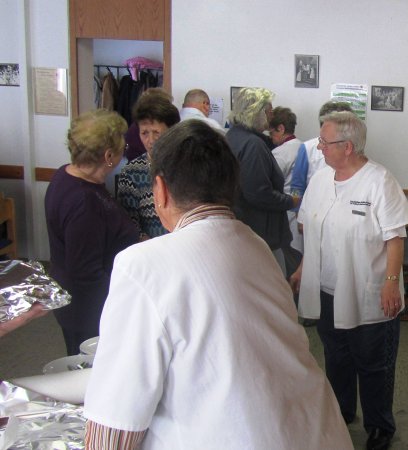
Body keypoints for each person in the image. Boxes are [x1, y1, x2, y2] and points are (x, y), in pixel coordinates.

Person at [83, 120, 352, 450]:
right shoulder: (256, 246)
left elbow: (115, 423)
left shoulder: (141, 265)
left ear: (161, 190)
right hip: (312, 429)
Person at [289, 112, 408, 450]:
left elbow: (395, 237)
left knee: (373, 363)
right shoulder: (320, 179)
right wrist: (303, 267)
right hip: (328, 289)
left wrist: (391, 281)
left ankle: (380, 427)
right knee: (337, 357)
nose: (319, 147)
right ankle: (342, 413)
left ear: (347, 146)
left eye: (325, 142)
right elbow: (312, 230)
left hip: (368, 292)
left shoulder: (379, 181)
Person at [44, 109, 140, 355]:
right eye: (122, 147)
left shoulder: (68, 175)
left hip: (79, 303)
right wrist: (124, 303)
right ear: (109, 156)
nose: (124, 152)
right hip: (89, 310)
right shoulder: (83, 202)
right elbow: (85, 272)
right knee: (92, 373)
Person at [226, 87, 297, 275]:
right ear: (257, 112)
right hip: (260, 233)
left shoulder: (233, 136)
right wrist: (290, 201)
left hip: (244, 229)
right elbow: (258, 193)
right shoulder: (252, 145)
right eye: (269, 111)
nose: (271, 115)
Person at [117, 93, 180, 240]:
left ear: (171, 131)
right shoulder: (131, 173)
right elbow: (130, 224)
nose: (150, 140)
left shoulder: (186, 165)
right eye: (144, 133)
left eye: (157, 132)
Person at [289, 101, 353, 198]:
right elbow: (297, 186)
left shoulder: (352, 146)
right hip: (313, 207)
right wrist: (297, 209)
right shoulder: (307, 148)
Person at [268, 106, 303, 274]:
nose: (271, 138)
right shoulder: (303, 147)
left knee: (289, 263)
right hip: (301, 212)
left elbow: (269, 182)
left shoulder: (280, 153)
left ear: (281, 129)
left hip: (287, 212)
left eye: (271, 133)